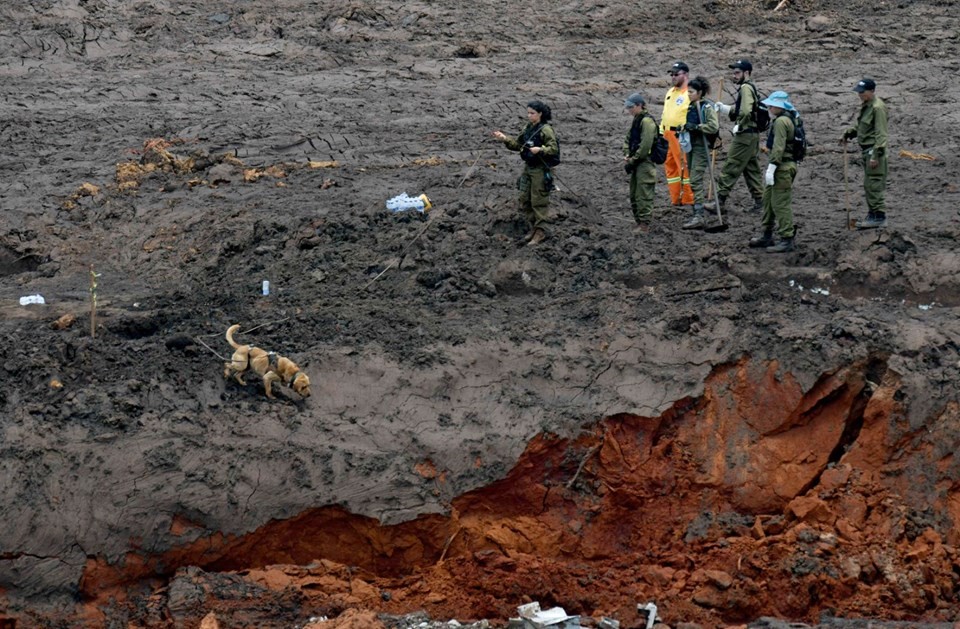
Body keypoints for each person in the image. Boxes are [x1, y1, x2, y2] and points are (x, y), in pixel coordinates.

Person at [492, 100, 559, 246]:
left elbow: (553, 148)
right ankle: (534, 228)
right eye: (528, 113)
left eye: (532, 113)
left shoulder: (546, 130)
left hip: (541, 169)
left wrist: (540, 150)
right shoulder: (528, 128)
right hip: (529, 167)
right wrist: (504, 139)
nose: (529, 116)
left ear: (540, 114)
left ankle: (540, 232)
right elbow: (518, 145)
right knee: (525, 198)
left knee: (538, 200)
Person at [748, 91, 798, 253]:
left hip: (782, 167)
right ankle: (767, 235)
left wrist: (773, 166)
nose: (769, 107)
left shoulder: (782, 122)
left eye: (772, 104)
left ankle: (787, 238)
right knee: (768, 200)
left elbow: (779, 147)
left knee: (780, 203)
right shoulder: (788, 118)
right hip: (781, 166)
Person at [713, 59, 764, 213]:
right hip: (752, 134)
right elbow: (743, 110)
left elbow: (746, 111)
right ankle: (760, 202)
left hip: (745, 135)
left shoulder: (746, 88)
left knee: (732, 164)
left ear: (746, 73)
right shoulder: (749, 88)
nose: (734, 76)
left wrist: (740, 124)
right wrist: (726, 110)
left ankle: (719, 201)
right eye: (733, 73)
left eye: (737, 73)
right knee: (751, 169)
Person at [840, 78, 889, 229]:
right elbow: (862, 126)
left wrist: (875, 155)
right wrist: (849, 133)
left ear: (872, 91)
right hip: (867, 151)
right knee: (869, 185)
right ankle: (872, 214)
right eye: (859, 92)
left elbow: (881, 134)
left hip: (874, 153)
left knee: (874, 184)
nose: (860, 95)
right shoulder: (867, 106)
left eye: (862, 92)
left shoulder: (877, 108)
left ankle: (878, 217)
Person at [680, 76, 720, 230]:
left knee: (696, 179)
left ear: (700, 92)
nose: (688, 94)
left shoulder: (706, 107)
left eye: (691, 92)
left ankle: (699, 216)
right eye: (687, 91)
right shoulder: (691, 106)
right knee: (691, 178)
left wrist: (697, 127)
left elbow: (713, 127)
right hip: (691, 145)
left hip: (701, 147)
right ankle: (696, 213)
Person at [660, 61, 695, 209]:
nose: (673, 77)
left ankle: (688, 198)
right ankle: (675, 198)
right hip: (667, 134)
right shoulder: (670, 92)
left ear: (685, 75)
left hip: (680, 135)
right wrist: (661, 132)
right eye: (672, 74)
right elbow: (665, 113)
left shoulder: (690, 93)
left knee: (684, 167)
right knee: (670, 167)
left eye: (676, 74)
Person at [622, 93, 658, 230]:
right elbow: (628, 139)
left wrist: (633, 159)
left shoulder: (647, 122)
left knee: (643, 194)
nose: (629, 110)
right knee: (634, 193)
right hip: (637, 162)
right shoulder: (637, 120)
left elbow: (645, 146)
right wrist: (627, 153)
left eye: (631, 107)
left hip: (644, 163)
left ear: (639, 106)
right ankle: (639, 221)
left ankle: (644, 224)